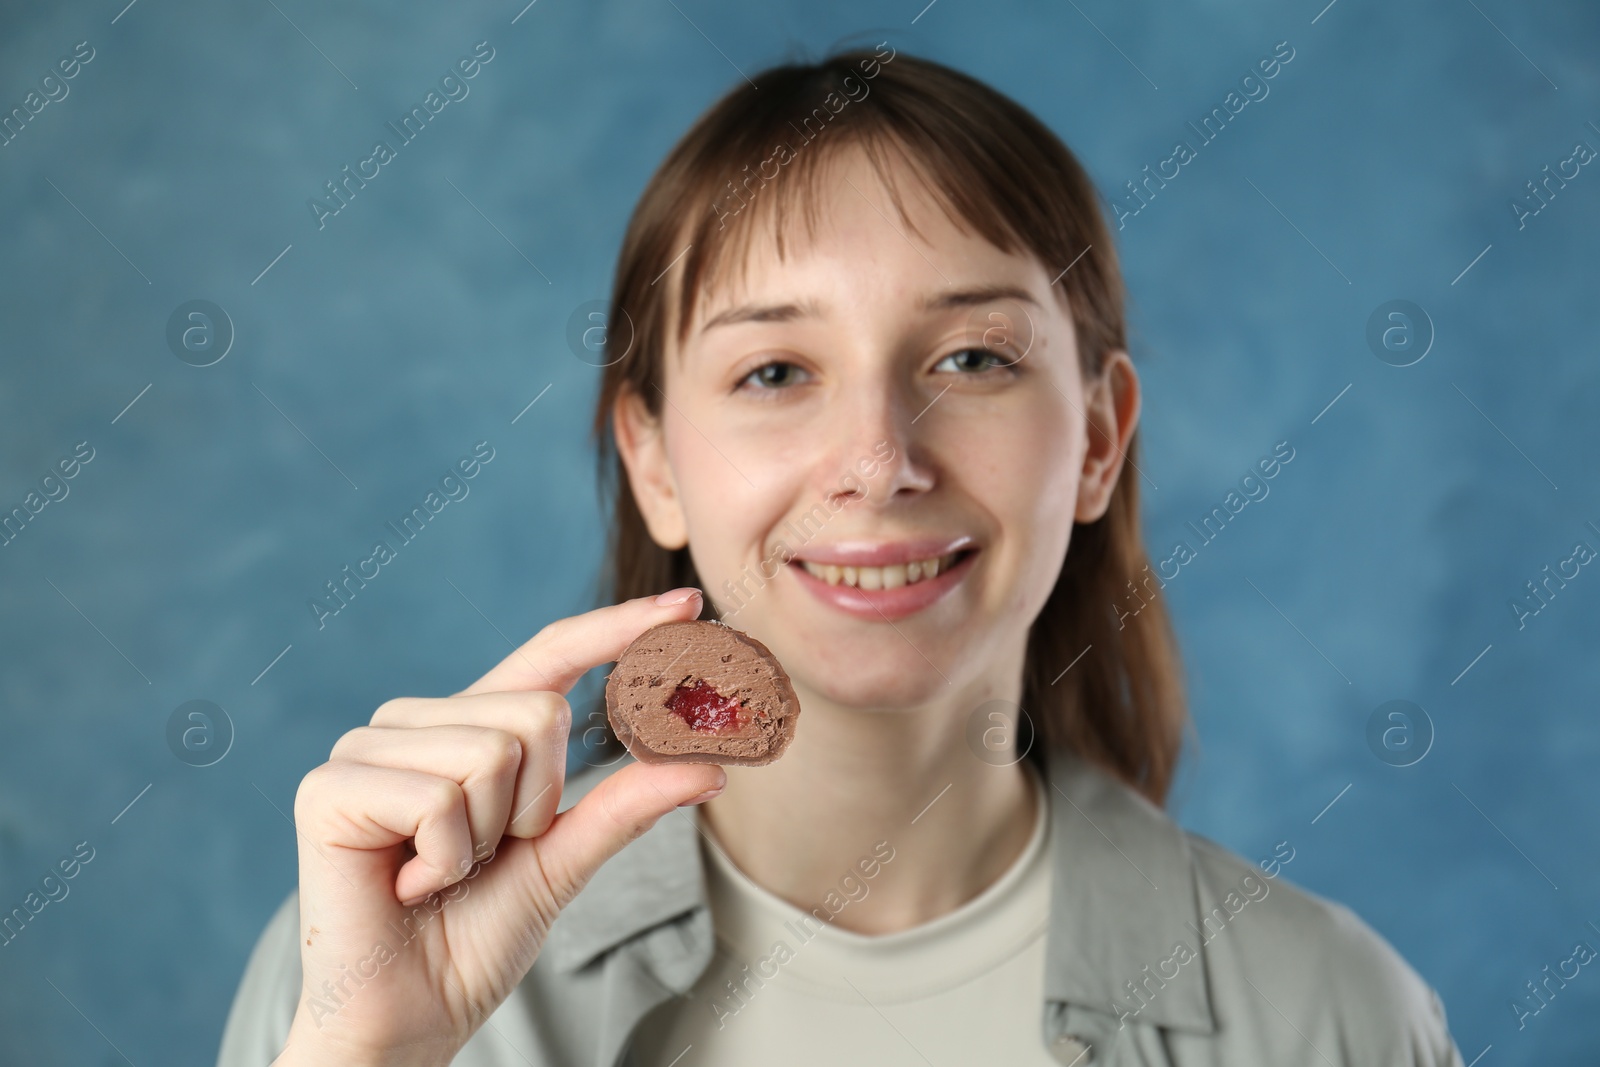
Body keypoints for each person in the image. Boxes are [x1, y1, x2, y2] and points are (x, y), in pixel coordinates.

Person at [219, 45, 1466, 1066]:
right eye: (774, 370)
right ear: (654, 461)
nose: (878, 459)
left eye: (972, 357)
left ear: (1097, 437)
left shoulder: (1334, 1015)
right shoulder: (365, 966)